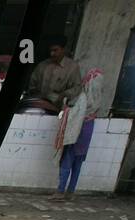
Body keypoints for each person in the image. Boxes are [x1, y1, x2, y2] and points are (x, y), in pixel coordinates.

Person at [53, 67, 103, 199]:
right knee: (77, 164)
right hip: (87, 131)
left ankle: (60, 191)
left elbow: (72, 111)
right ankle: (70, 192)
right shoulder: (97, 100)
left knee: (67, 161)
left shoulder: (82, 97)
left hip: (76, 132)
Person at [26, 35, 82, 113]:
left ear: (63, 49)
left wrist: (63, 95)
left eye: (55, 50)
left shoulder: (72, 67)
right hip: (38, 107)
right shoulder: (42, 65)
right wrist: (36, 94)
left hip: (59, 110)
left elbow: (77, 88)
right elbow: (32, 85)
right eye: (50, 51)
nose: (52, 54)